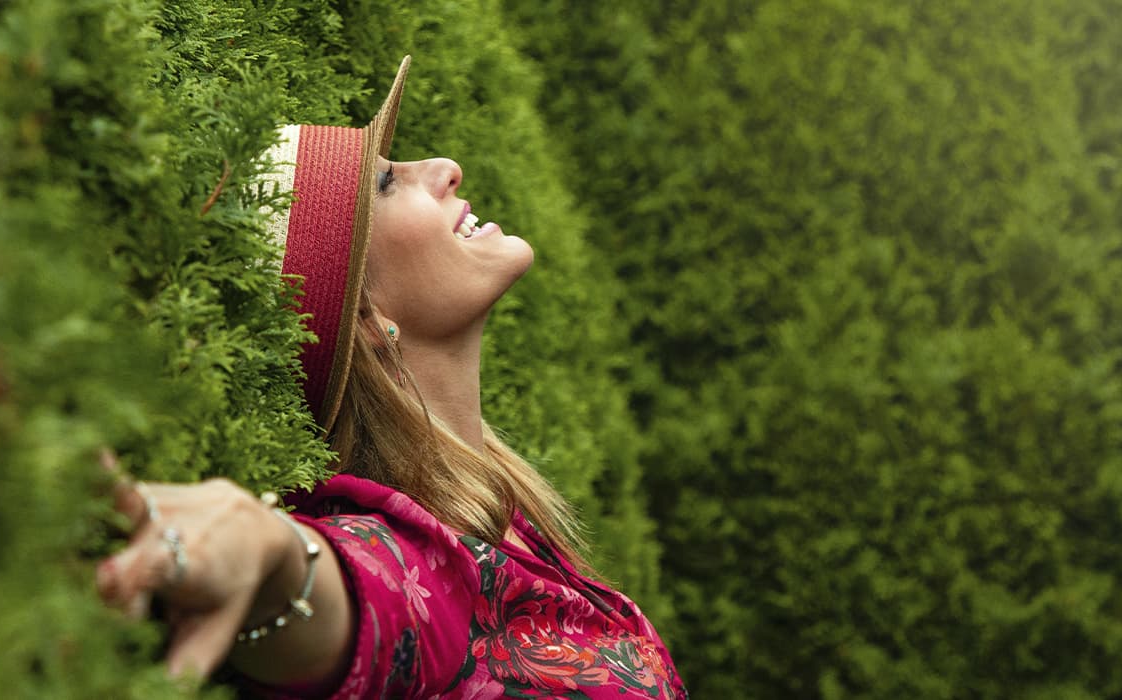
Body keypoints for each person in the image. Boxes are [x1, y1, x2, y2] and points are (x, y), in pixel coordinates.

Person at [95, 56, 686, 699]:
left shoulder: (498, 511)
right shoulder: (406, 557)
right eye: (385, 183)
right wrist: (268, 551)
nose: (444, 167)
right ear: (366, 317)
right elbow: (350, 590)